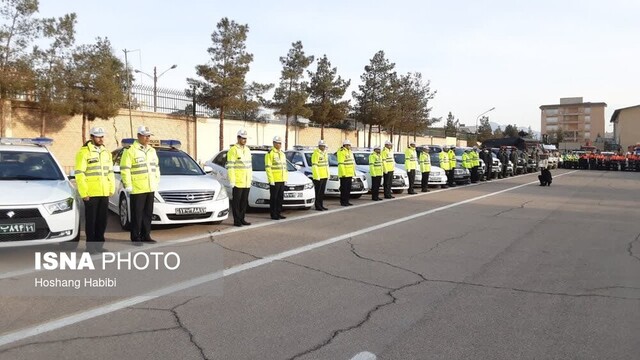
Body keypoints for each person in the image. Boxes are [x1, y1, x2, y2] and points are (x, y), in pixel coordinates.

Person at [74, 127, 115, 254]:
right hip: (91, 193)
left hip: (103, 192)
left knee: (102, 221)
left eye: (102, 136)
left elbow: (110, 172)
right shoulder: (84, 152)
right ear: (92, 137)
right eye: (98, 136)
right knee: (91, 222)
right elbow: (80, 173)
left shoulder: (106, 152)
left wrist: (111, 187)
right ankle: (90, 247)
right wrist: (84, 193)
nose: (101, 139)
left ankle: (99, 245)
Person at [120, 125, 160, 246]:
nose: (147, 138)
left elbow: (156, 167)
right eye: (145, 135)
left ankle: (146, 235)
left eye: (149, 136)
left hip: (150, 187)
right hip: (137, 188)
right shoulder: (130, 150)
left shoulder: (152, 151)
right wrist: (128, 185)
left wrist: (156, 180)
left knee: (148, 213)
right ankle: (135, 237)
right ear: (138, 136)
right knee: (137, 214)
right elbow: (125, 169)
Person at [227, 129, 252, 226]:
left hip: (246, 181)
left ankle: (242, 218)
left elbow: (249, 166)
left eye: (245, 138)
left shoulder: (247, 150)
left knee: (244, 202)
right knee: (236, 202)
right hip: (237, 181)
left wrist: (250, 178)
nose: (244, 140)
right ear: (238, 138)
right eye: (242, 138)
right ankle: (236, 220)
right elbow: (230, 166)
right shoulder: (233, 150)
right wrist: (232, 180)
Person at [265, 136, 287, 220]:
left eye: (280, 143)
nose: (279, 145)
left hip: (281, 179)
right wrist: (271, 180)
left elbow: (284, 168)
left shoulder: (282, 154)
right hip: (274, 180)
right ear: (274, 143)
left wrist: (285, 178)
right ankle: (273, 214)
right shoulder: (270, 153)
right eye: (278, 143)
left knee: (280, 197)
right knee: (274, 198)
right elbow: (268, 168)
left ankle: (278, 212)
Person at [311, 140, 329, 211]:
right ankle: (318, 206)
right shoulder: (316, 154)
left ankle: (321, 205)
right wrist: (317, 176)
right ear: (319, 146)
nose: (323, 147)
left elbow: (326, 165)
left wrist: (328, 174)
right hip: (318, 177)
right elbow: (314, 166)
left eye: (324, 146)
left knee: (322, 192)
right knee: (318, 192)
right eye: (322, 146)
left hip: (324, 175)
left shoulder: (325, 153)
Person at [337, 139, 356, 206]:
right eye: (348, 145)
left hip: (350, 173)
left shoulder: (350, 152)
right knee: (344, 188)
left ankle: (347, 201)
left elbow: (352, 163)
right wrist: (343, 173)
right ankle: (343, 201)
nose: (349, 146)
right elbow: (341, 163)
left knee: (348, 188)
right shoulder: (341, 152)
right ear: (344, 145)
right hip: (344, 174)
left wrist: (354, 172)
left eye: (349, 145)